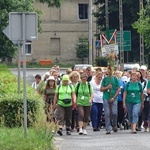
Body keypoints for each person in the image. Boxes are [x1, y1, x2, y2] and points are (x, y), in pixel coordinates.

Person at [100, 66, 120, 134]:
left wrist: (113, 98)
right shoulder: (105, 79)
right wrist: (107, 87)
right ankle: (108, 127)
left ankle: (114, 124)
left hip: (114, 97)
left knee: (114, 112)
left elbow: (118, 89)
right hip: (106, 97)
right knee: (107, 113)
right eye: (108, 70)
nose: (110, 71)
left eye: (111, 70)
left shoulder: (115, 79)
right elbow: (101, 89)